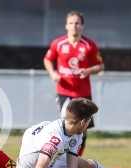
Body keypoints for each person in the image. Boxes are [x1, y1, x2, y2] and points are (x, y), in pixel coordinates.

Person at [16, 97, 107, 168]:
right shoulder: (55, 138)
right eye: (90, 120)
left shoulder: (76, 134)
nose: (89, 123)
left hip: (48, 161)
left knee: (86, 166)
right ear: (82, 122)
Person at [44, 11, 105, 156]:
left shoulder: (89, 45)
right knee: (67, 125)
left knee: (82, 128)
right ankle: (60, 157)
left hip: (83, 93)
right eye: (71, 23)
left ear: (82, 25)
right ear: (66, 25)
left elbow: (100, 66)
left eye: (77, 23)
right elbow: (47, 59)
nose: (74, 26)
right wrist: (53, 74)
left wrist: (88, 70)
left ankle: (76, 158)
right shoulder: (58, 43)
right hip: (64, 92)